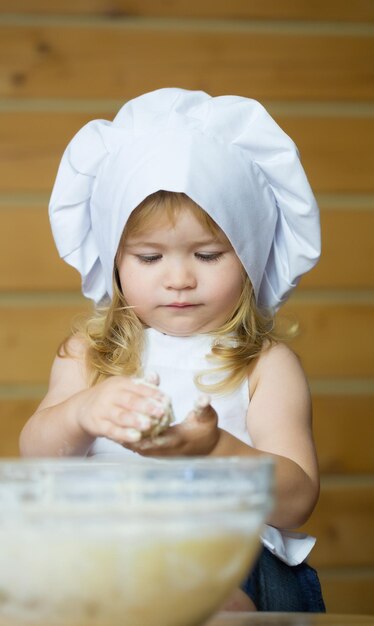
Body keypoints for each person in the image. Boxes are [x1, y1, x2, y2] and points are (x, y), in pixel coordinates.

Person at [20, 88, 325, 612]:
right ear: (116, 261)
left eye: (207, 254)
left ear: (249, 256)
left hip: (222, 554)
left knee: (201, 593)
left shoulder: (263, 366)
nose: (179, 278)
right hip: (98, 554)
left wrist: (216, 451)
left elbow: (296, 503)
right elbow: (37, 459)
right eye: (149, 256)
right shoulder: (88, 356)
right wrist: (81, 413)